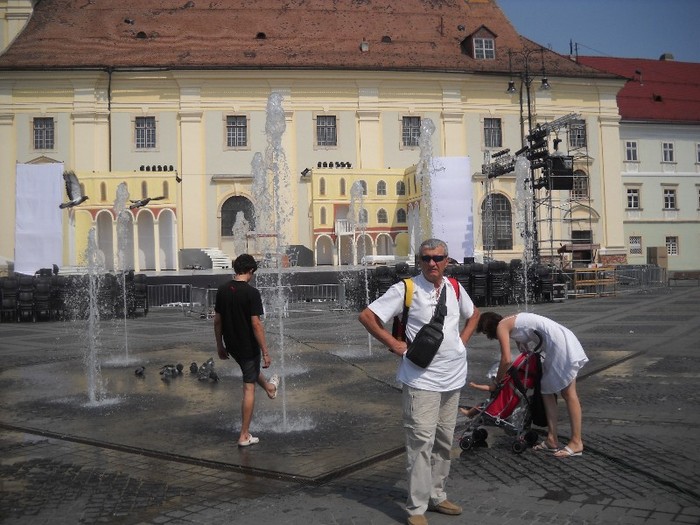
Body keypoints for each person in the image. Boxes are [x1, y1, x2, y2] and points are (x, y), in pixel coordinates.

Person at [359, 239, 480, 525]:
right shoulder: (406, 288)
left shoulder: (453, 287)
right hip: (421, 379)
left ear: (447, 260)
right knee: (420, 443)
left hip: (452, 378)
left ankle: (437, 494)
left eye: (437, 258)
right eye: (426, 259)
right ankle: (416, 508)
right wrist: (393, 342)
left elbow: (474, 315)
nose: (432, 263)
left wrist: (461, 343)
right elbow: (367, 316)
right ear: (419, 261)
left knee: (443, 440)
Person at [476, 311, 588, 458]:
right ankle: (552, 439)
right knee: (546, 391)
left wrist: (497, 381)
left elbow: (506, 359)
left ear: (488, 327)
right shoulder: (510, 322)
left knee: (569, 394)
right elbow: (525, 342)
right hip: (559, 341)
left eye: (485, 333)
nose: (488, 336)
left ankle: (576, 442)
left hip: (560, 345)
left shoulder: (502, 326)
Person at [214, 254, 279, 447]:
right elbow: (256, 324)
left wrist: (219, 345)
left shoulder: (222, 290)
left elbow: (217, 320)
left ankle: (269, 388)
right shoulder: (251, 293)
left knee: (249, 368)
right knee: (248, 387)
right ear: (250, 271)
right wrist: (265, 351)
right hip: (247, 344)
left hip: (232, 344)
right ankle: (244, 435)